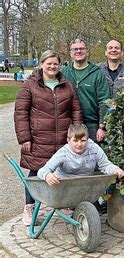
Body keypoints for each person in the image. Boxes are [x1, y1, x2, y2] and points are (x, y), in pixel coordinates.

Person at [14, 50, 82, 226]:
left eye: (55, 63)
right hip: (38, 138)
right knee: (36, 172)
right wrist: (24, 138)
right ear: (41, 64)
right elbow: (21, 113)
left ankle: (62, 204)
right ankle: (29, 207)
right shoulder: (30, 85)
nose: (52, 66)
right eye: (49, 63)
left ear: (60, 65)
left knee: (62, 170)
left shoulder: (66, 85)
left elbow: (75, 110)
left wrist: (76, 133)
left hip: (62, 138)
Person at [37, 124, 124, 185]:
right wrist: (47, 175)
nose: (79, 144)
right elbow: (42, 170)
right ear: (68, 140)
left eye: (83, 140)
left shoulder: (94, 148)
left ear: (87, 139)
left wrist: (115, 169)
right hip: (63, 186)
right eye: (75, 141)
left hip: (84, 186)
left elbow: (105, 165)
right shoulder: (63, 153)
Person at [62, 38, 110, 143]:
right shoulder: (63, 73)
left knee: (91, 158)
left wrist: (102, 127)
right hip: (67, 125)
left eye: (81, 48)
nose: (78, 51)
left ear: (87, 52)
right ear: (71, 53)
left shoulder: (97, 74)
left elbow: (104, 101)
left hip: (91, 125)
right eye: (75, 49)